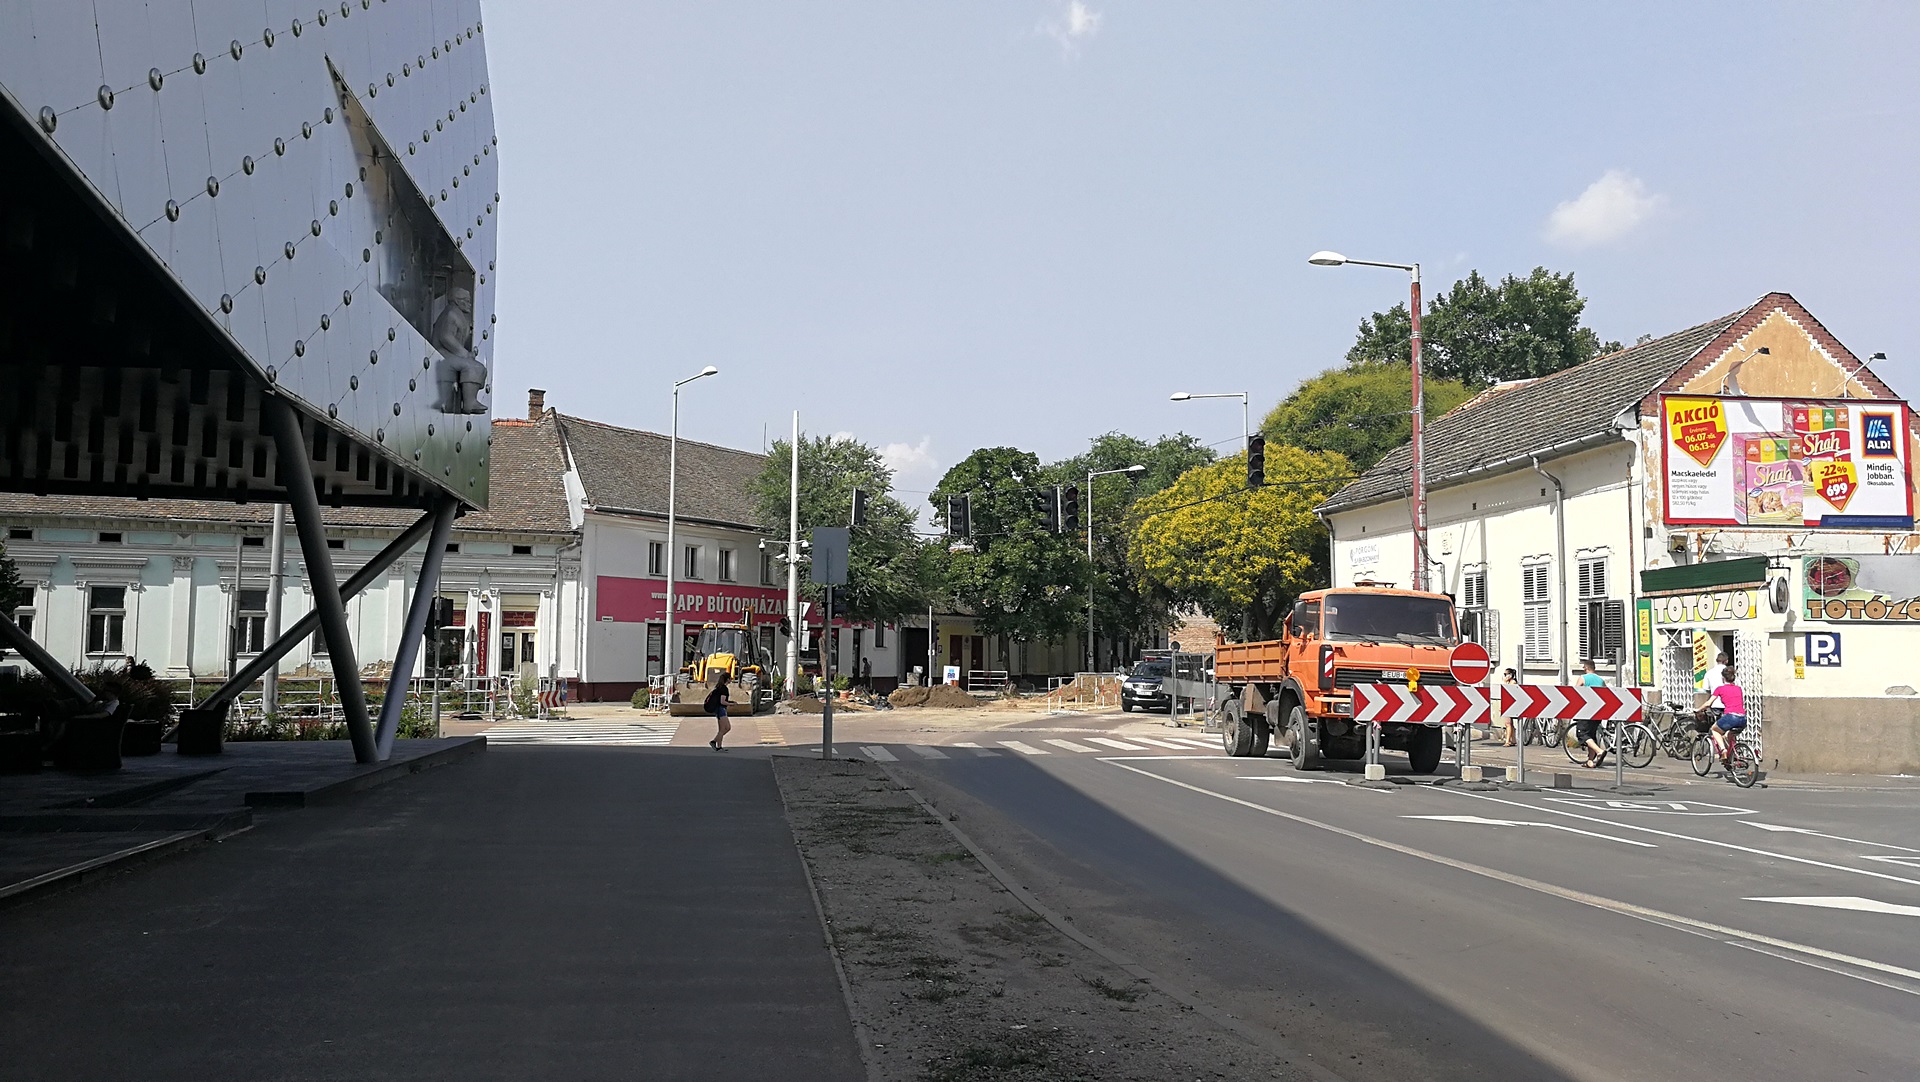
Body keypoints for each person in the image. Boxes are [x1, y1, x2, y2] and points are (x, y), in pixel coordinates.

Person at [1707, 665, 1747, 775]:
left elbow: (1708, 703)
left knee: (1715, 730)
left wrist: (1698, 709)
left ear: (1723, 678)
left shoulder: (1720, 689)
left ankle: (1723, 750)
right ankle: (1731, 756)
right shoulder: (1739, 689)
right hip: (1743, 718)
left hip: (1731, 717)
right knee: (1730, 735)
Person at [1577, 658, 1607, 766]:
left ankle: (1599, 751)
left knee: (1582, 733)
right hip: (1598, 711)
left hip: (1587, 710)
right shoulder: (1601, 680)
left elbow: (1575, 693)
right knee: (1591, 735)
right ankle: (1590, 761)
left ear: (1585, 668)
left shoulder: (1583, 678)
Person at [705, 673, 732, 751]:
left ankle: (719, 746)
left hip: (718, 709)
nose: (731, 680)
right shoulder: (724, 689)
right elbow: (722, 701)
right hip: (721, 709)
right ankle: (714, 741)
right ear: (727, 679)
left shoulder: (719, 687)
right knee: (727, 728)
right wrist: (731, 704)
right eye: (730, 678)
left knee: (722, 729)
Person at [1498, 669, 1520, 746]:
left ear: (1510, 675)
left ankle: (1507, 741)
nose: (1504, 676)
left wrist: (1504, 682)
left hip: (1509, 705)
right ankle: (1513, 740)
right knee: (1510, 723)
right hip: (1508, 704)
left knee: (1507, 723)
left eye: (1505, 674)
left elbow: (1506, 692)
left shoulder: (1512, 683)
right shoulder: (1510, 682)